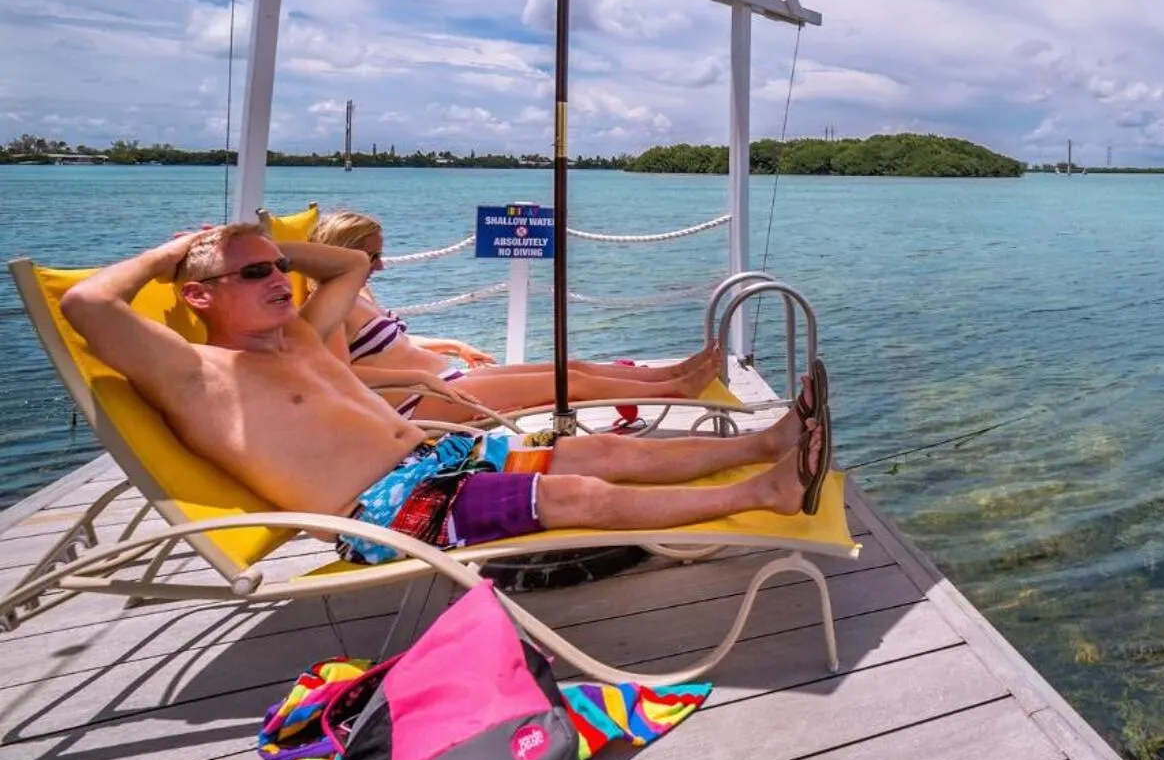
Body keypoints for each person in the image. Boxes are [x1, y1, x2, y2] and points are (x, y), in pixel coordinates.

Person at [59, 225, 829, 566]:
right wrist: (166, 254)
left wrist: (256, 244)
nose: (277, 280)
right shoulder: (198, 375)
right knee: (581, 494)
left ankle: (762, 442)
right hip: (392, 512)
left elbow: (347, 268)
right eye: (253, 274)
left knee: (605, 447)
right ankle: (770, 488)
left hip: (447, 456)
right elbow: (88, 307)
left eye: (274, 269)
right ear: (196, 295)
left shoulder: (295, 336)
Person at [307, 210, 719, 425]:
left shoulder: (357, 289)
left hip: (441, 383)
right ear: (342, 254)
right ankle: (677, 392)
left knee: (571, 367)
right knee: (570, 384)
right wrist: (421, 379)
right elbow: (344, 377)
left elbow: (387, 344)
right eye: (372, 257)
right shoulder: (328, 308)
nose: (382, 266)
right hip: (417, 405)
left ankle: (670, 376)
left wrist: (452, 345)